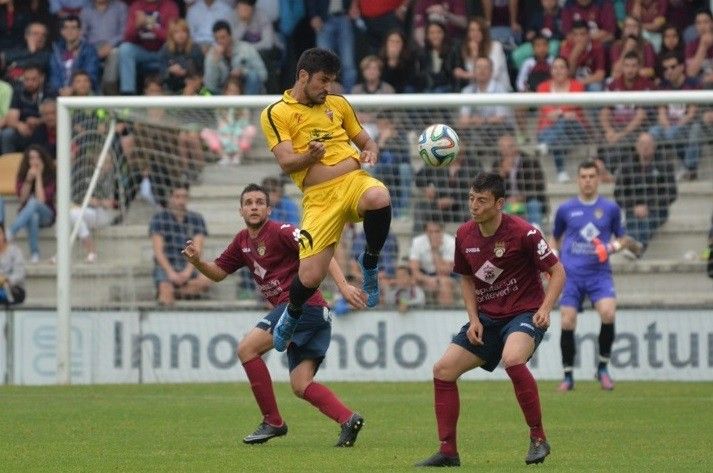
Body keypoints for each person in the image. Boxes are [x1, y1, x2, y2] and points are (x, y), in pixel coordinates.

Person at [181, 183, 368, 446]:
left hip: (302, 306)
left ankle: (273, 421)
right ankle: (348, 419)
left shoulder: (282, 231)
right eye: (249, 203)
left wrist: (343, 285)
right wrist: (198, 263)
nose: (254, 206)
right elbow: (219, 274)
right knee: (301, 385)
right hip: (312, 313)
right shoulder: (241, 242)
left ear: (269, 209)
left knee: (247, 349)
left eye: (259, 202)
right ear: (241, 210)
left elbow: (320, 250)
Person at [415, 172, 565, 467]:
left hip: (523, 313)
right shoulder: (464, 235)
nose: (474, 205)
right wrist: (473, 318)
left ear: (499, 203)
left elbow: (557, 272)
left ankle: (538, 438)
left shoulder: (525, 233)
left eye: (481, 200)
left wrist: (545, 309)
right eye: (471, 198)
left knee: (513, 358)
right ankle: (448, 451)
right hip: (487, 318)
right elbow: (467, 279)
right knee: (443, 370)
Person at [259, 47, 391, 352]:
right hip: (319, 198)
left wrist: (370, 149)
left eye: (331, 81)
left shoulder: (338, 104)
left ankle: (369, 262)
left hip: (352, 182)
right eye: (323, 80)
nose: (327, 87)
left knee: (379, 195)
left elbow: (365, 140)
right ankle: (292, 315)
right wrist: (309, 155)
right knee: (310, 276)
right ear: (303, 76)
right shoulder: (276, 112)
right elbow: (286, 162)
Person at [551, 160, 643, 393]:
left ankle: (602, 368)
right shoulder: (565, 209)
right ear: (578, 180)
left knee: (608, 313)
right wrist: (552, 257)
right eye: (583, 176)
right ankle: (568, 375)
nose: (588, 180)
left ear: (599, 178)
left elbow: (624, 239)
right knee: (567, 320)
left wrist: (611, 247)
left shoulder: (610, 209)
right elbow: (555, 238)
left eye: (592, 176)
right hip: (571, 274)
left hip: (599, 274)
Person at [149, 183, 212, 305]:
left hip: (188, 265)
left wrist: (187, 272)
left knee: (207, 279)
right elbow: (158, 252)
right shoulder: (158, 219)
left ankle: (176, 292)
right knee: (166, 291)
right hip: (166, 267)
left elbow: (197, 249)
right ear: (170, 197)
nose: (181, 200)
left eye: (184, 197)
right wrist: (171, 273)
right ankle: (170, 291)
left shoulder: (196, 218)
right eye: (177, 196)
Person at [614, 132, 677, 254]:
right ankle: (636, 248)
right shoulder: (627, 166)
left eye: (648, 144)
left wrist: (648, 206)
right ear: (636, 146)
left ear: (654, 147)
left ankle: (635, 247)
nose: (645, 147)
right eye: (642, 144)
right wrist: (634, 206)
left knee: (646, 221)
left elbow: (672, 193)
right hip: (633, 209)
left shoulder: (664, 165)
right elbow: (619, 193)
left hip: (657, 209)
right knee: (633, 220)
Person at [7, 145, 56, 263]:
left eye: (37, 158)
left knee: (33, 202)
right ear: (27, 160)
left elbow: (41, 201)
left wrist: (38, 176)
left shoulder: (50, 175)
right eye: (31, 158)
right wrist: (29, 179)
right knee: (33, 216)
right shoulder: (23, 174)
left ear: (42, 159)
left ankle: (11, 232)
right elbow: (22, 199)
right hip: (28, 216)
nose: (34, 161)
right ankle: (35, 254)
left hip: (47, 215)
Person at [48, 15, 100, 96]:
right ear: (62, 31)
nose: (70, 31)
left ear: (79, 31)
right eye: (66, 28)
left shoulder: (89, 50)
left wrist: (72, 89)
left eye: (73, 28)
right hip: (60, 93)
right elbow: (54, 76)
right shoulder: (56, 50)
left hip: (82, 92)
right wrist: (59, 90)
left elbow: (91, 75)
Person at [409, 220, 455, 307]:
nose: (433, 235)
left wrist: (435, 250)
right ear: (426, 232)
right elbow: (414, 270)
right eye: (430, 232)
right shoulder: (417, 242)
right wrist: (427, 280)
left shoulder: (451, 242)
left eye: (437, 231)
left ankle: (445, 314)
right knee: (411, 280)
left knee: (444, 283)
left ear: (442, 231)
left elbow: (444, 272)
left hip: (445, 276)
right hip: (424, 275)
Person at [0, 222, 26, 306]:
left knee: (12, 293)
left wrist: (6, 279)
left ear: (4, 235)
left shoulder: (15, 251)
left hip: (13, 288)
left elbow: (20, 274)